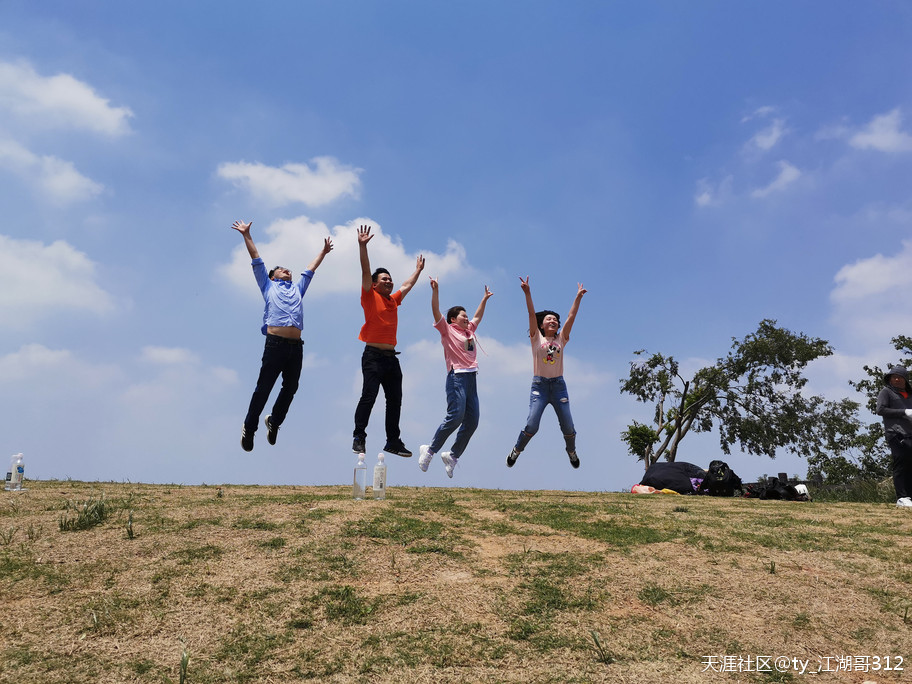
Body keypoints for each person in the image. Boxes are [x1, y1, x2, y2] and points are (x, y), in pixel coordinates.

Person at [232, 220, 333, 451]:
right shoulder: (268, 286)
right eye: (282, 269)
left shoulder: (298, 289)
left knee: (291, 387)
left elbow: (310, 269)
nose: (287, 270)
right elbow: (256, 259)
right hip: (275, 344)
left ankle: (274, 421)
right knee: (264, 388)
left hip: (295, 347)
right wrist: (247, 234)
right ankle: (250, 426)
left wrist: (324, 252)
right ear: (274, 276)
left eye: (288, 269)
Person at [352, 225, 425, 457]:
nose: (389, 282)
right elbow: (365, 271)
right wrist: (362, 246)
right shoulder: (369, 296)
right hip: (372, 356)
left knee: (395, 401)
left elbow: (407, 285)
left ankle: (393, 441)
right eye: (384, 279)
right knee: (369, 396)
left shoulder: (393, 300)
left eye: (390, 279)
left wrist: (418, 271)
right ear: (374, 284)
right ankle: (359, 437)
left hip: (392, 359)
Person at [507, 276, 586, 469]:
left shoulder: (562, 339)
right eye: (549, 319)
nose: (554, 321)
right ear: (542, 325)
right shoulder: (536, 339)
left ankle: (571, 451)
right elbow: (531, 314)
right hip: (540, 387)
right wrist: (527, 292)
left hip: (559, 387)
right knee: (532, 425)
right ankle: (516, 450)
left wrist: (578, 297)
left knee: (568, 426)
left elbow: (571, 317)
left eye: (555, 320)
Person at [418, 278, 494, 478]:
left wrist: (485, 299)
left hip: (472, 379)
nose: (467, 318)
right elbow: (436, 311)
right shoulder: (447, 330)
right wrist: (436, 290)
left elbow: (478, 316)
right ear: (453, 319)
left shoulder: (469, 332)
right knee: (456, 415)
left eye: (467, 316)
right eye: (463, 316)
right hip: (456, 377)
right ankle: (430, 450)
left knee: (473, 421)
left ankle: (452, 456)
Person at [876, 365, 912, 507]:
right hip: (895, 433)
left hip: (910, 434)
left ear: (905, 379)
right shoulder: (886, 392)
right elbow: (881, 409)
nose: (896, 379)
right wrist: (904, 412)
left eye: (899, 377)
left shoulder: (910, 395)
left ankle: (909, 496)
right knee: (901, 461)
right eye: (893, 377)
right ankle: (901, 497)